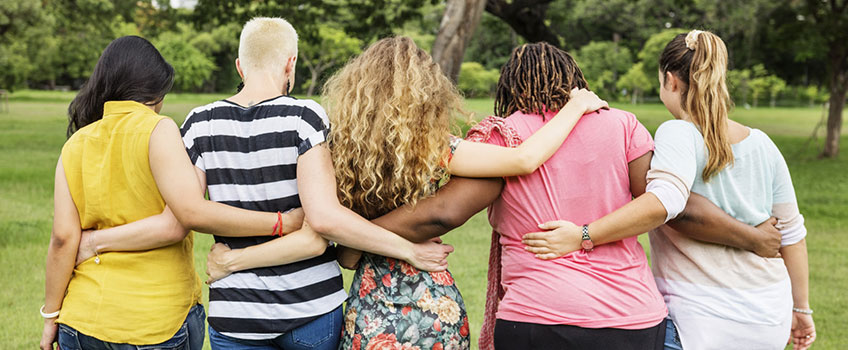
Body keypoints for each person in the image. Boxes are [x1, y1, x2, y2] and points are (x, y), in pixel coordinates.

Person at [198, 36, 609, 350]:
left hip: (369, 302)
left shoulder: (336, 149)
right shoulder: (434, 147)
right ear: (428, 90)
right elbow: (522, 160)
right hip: (432, 297)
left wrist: (352, 249)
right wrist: (574, 107)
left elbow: (330, 230)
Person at [70, 21, 454, 350]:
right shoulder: (305, 116)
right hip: (310, 309)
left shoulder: (199, 123)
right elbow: (324, 218)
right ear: (291, 63)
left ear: (240, 65)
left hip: (235, 312)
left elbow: (184, 213)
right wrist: (409, 251)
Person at [522, 31, 814, 350]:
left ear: (671, 81)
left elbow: (666, 202)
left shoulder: (677, 133)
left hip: (701, 315)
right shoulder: (762, 143)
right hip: (769, 314)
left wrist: (582, 235)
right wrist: (801, 308)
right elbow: (792, 235)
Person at [40, 35, 311, 350]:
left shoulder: (75, 143)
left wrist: (52, 316)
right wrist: (282, 222)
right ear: (154, 89)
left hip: (81, 322)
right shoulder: (158, 129)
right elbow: (183, 217)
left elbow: (62, 239)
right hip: (154, 322)